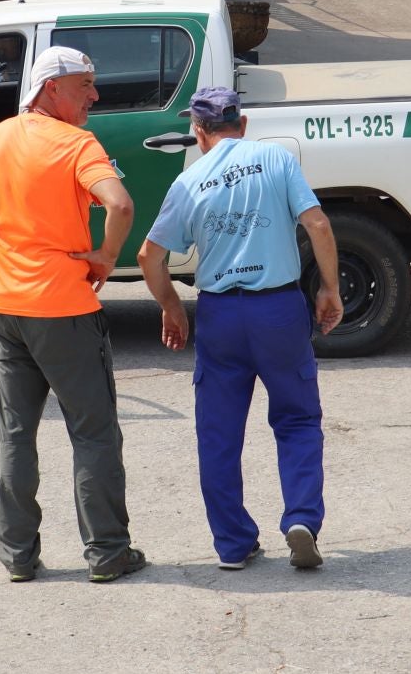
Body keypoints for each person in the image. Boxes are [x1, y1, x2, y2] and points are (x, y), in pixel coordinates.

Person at [0, 45, 144, 585]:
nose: (95, 95)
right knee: (93, 434)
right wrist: (106, 256)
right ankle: (107, 553)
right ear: (51, 89)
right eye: (85, 85)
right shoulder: (76, 144)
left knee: (16, 436)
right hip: (63, 307)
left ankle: (18, 556)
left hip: (3, 306)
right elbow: (120, 204)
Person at [137, 86, 343, 572]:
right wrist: (329, 288)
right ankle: (301, 518)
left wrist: (171, 307)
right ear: (242, 124)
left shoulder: (189, 180)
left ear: (198, 131)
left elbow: (149, 256)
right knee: (297, 419)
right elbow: (318, 225)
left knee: (219, 433)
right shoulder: (275, 159)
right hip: (278, 309)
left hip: (221, 316)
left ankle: (233, 544)